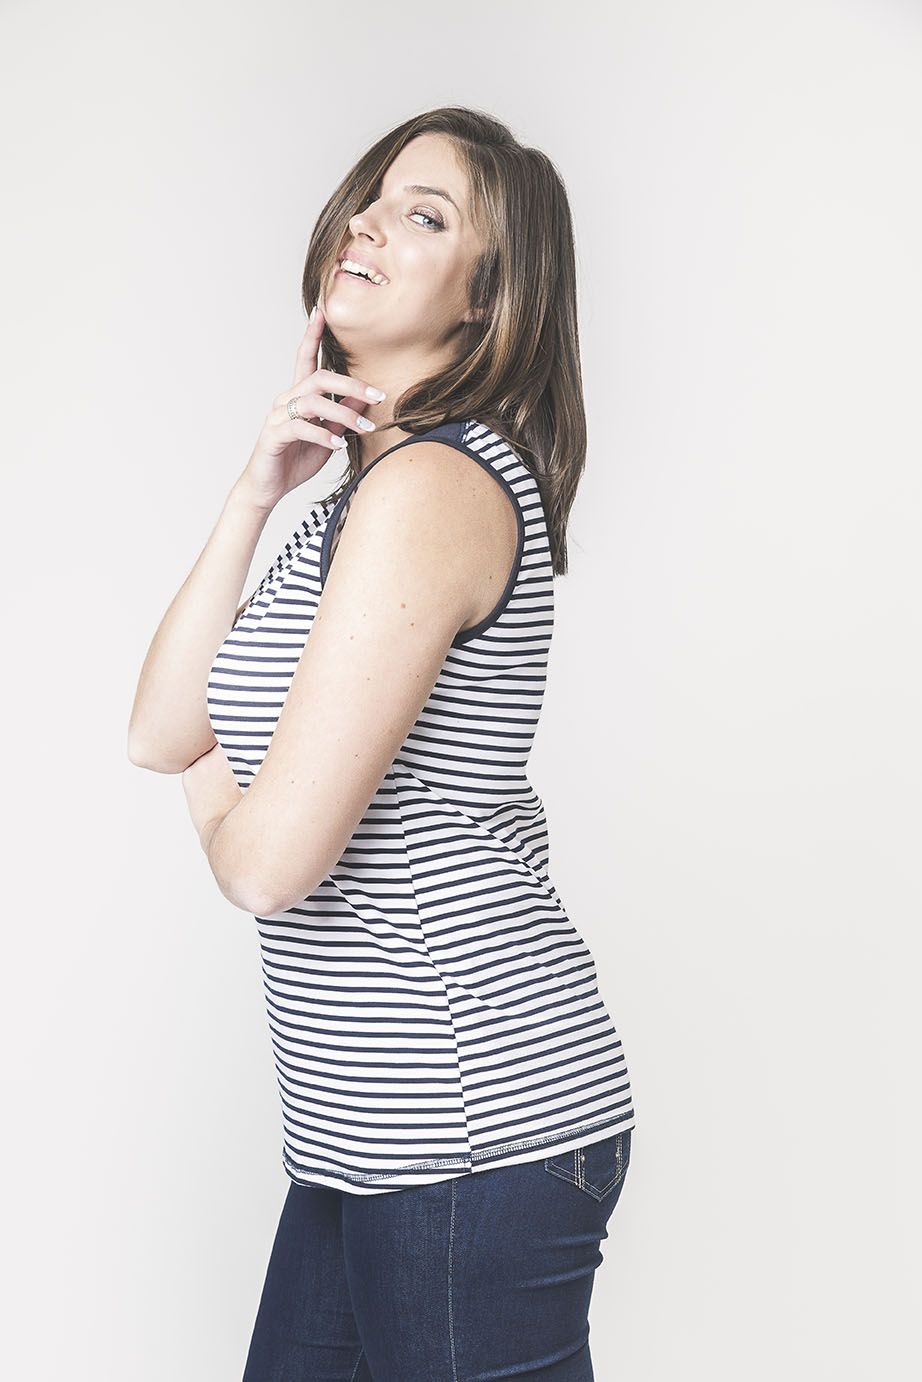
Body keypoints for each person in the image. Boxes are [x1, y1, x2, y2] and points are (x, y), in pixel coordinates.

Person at [128, 106, 637, 1382]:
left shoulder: (433, 488)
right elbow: (161, 728)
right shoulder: (356, 494)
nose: (366, 223)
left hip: (473, 1129)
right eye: (372, 198)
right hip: (361, 1133)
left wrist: (225, 800)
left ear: (487, 298)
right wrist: (256, 490)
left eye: (425, 215)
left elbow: (266, 864)